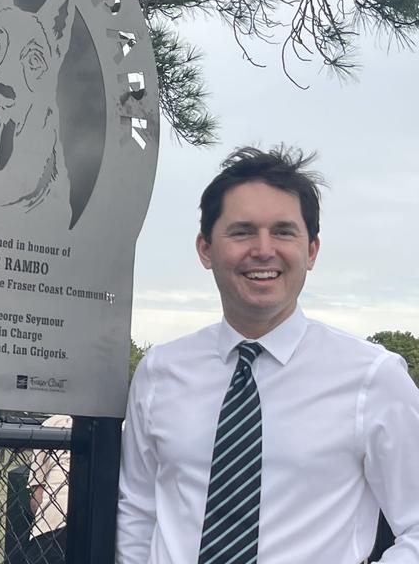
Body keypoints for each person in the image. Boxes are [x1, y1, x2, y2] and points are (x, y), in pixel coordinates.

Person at [117, 146, 419, 563]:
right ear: (206, 249)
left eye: (283, 231)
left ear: (311, 250)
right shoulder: (160, 372)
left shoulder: (374, 378)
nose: (263, 250)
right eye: (241, 231)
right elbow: (137, 510)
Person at [23, 414, 70, 564]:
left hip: (52, 523)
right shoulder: (122, 426)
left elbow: (37, 496)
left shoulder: (53, 423)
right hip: (101, 521)